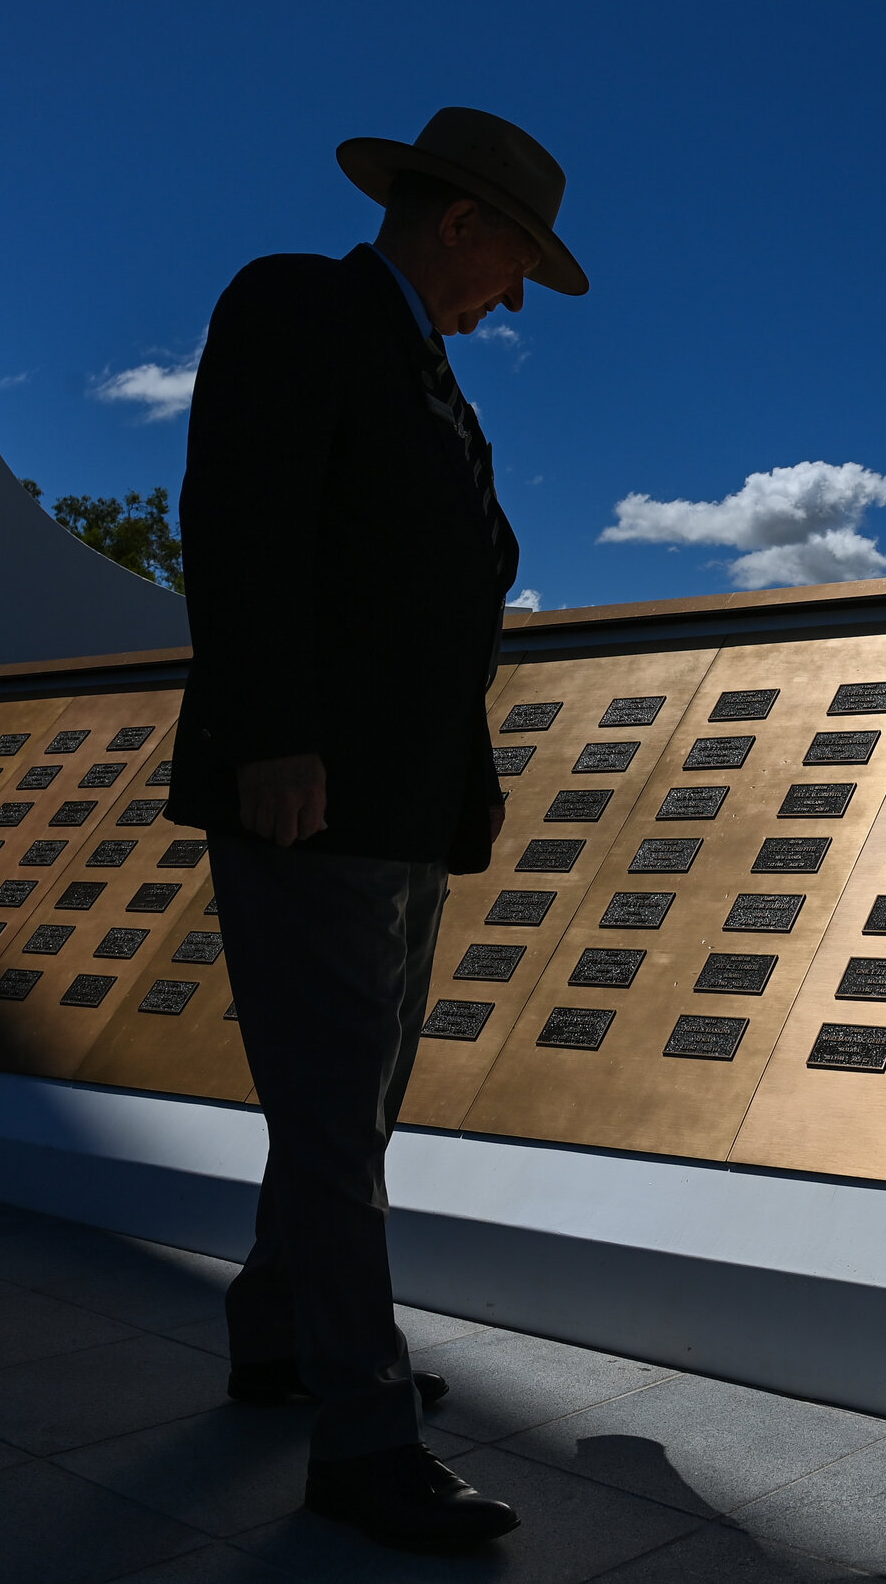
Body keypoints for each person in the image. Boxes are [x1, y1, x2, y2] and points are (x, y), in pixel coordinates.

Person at [169, 107, 587, 1551]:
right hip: (313, 793)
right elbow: (238, 520)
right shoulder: (303, 302)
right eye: (518, 261)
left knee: (348, 1104)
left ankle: (281, 1335)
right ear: (460, 221)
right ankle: (364, 1434)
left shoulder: (431, 380)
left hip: (403, 808)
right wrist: (275, 732)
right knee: (340, 1116)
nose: (515, 298)